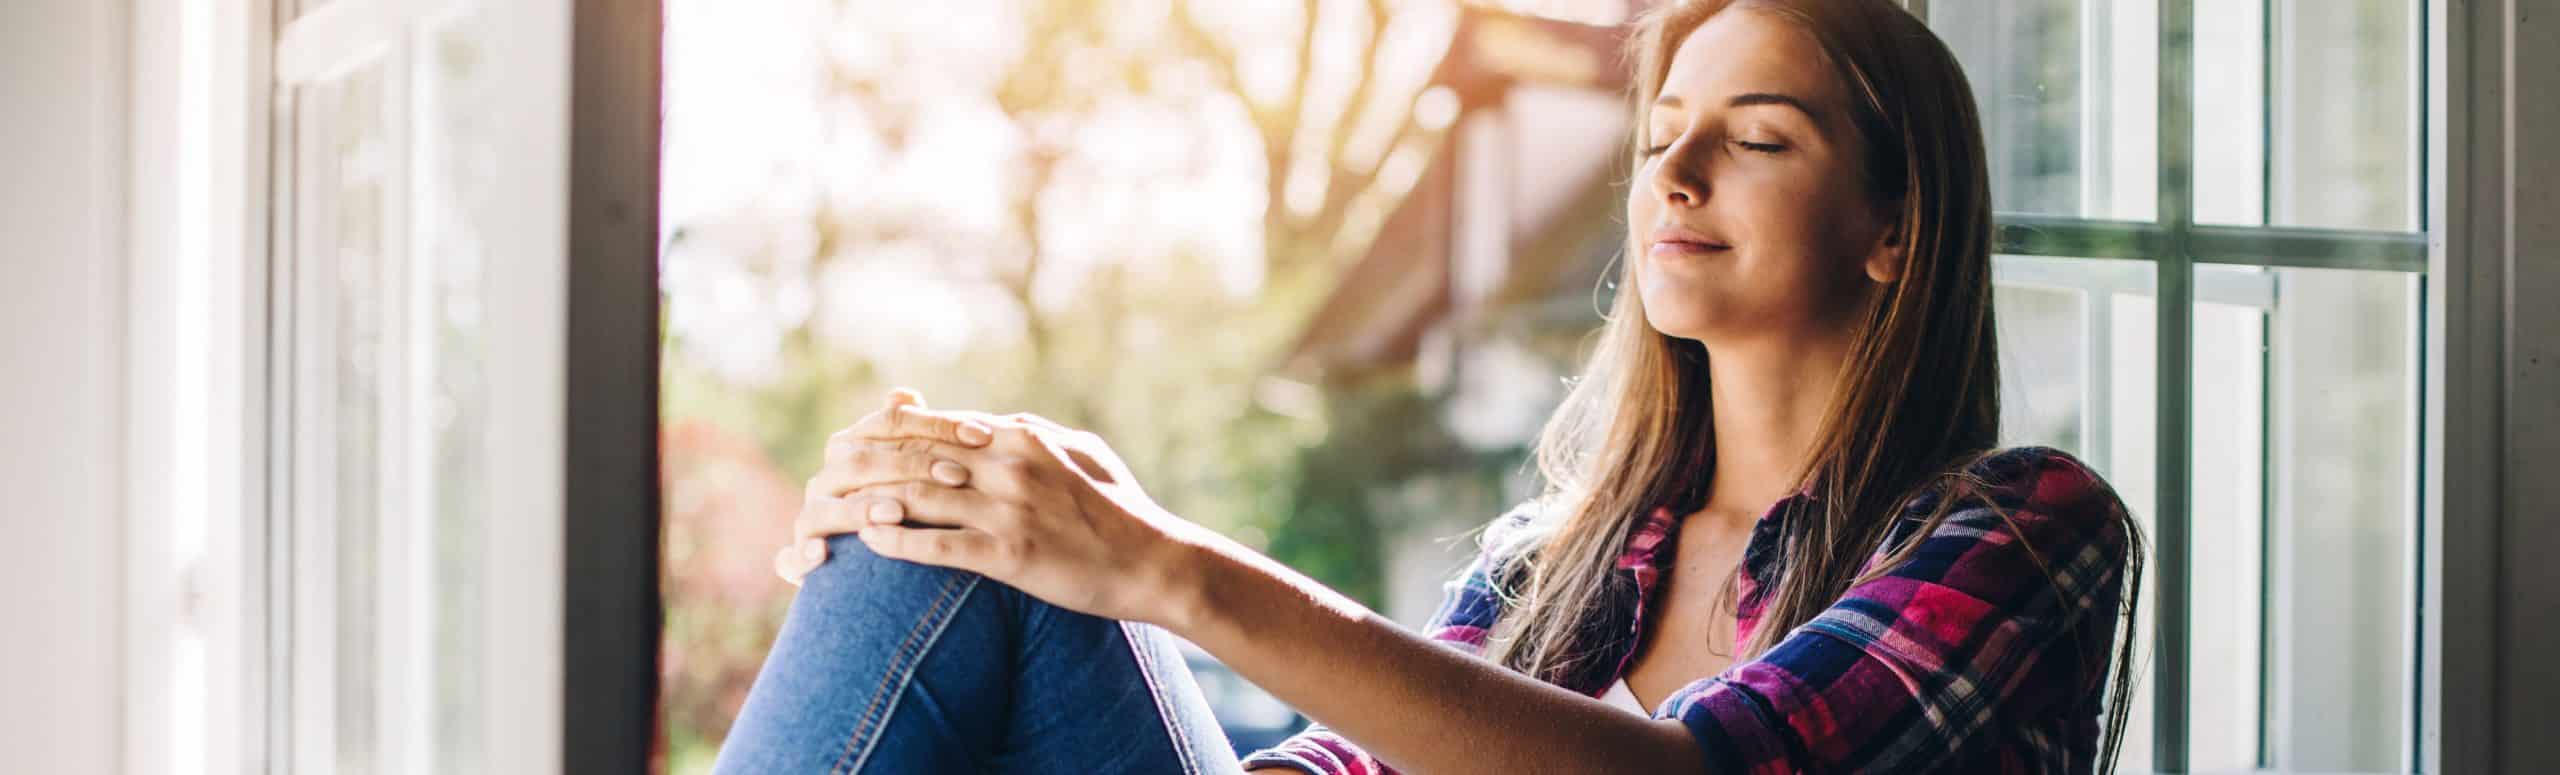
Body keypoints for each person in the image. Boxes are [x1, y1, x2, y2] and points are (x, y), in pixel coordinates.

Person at [711, 0, 2144, 771]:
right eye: (1660, 135)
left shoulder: (2018, 533)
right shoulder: (1563, 561)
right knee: (968, 512)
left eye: (1758, 139)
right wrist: (1048, 519)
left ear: (1897, 226)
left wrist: (1165, 568)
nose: (1678, 173)